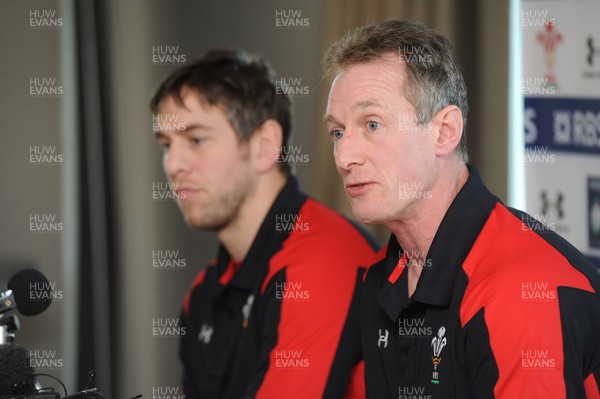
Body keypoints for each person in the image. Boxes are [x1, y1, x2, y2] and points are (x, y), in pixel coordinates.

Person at [323, 19, 600, 398]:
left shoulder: (519, 289)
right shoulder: (380, 277)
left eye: (372, 124)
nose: (344, 156)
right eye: (337, 132)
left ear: (444, 131)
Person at [151, 49, 378, 399]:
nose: (173, 164)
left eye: (196, 140)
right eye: (167, 145)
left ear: (264, 146)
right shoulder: (201, 294)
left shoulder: (323, 260)